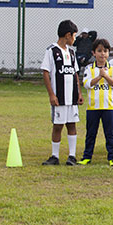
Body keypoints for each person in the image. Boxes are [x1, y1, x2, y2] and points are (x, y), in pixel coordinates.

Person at [41, 20, 84, 166]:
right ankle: (55, 156)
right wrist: (51, 94)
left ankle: (72, 156)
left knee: (72, 124)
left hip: (71, 97)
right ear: (67, 35)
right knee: (58, 125)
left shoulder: (71, 52)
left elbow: (75, 73)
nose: (75, 39)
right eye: (74, 36)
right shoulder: (51, 51)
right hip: (59, 97)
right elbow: (46, 72)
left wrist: (78, 92)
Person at [78, 38, 113, 167]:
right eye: (99, 51)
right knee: (91, 133)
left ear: (108, 53)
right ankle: (87, 157)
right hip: (93, 108)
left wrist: (106, 76)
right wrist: (99, 77)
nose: (103, 54)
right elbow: (86, 84)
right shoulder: (89, 68)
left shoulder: (112, 69)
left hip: (109, 107)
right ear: (93, 53)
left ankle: (112, 157)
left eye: (105, 51)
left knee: (110, 134)